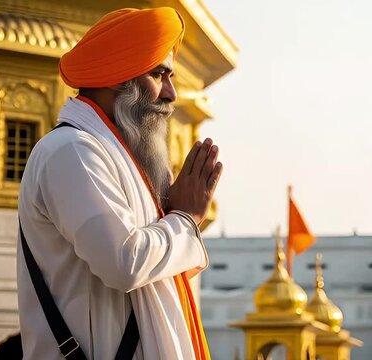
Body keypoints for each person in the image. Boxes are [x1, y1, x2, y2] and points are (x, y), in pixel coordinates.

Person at [17, 7, 220, 359]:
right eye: (159, 75)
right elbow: (124, 263)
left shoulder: (118, 157)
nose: (171, 93)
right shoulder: (71, 151)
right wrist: (184, 220)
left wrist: (170, 214)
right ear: (116, 76)